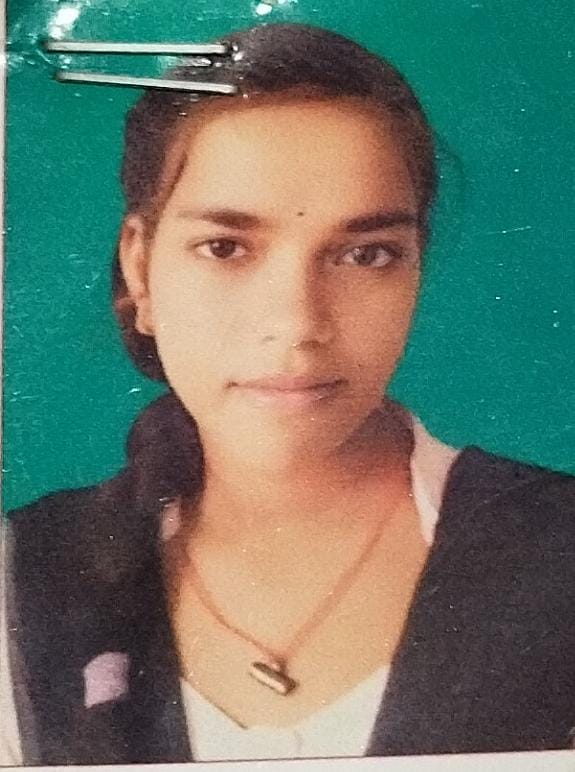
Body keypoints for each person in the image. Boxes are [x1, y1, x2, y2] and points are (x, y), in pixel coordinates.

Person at [2, 22, 575, 765]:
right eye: (225, 247)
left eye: (366, 254)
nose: (299, 324)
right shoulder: (21, 576)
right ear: (140, 271)